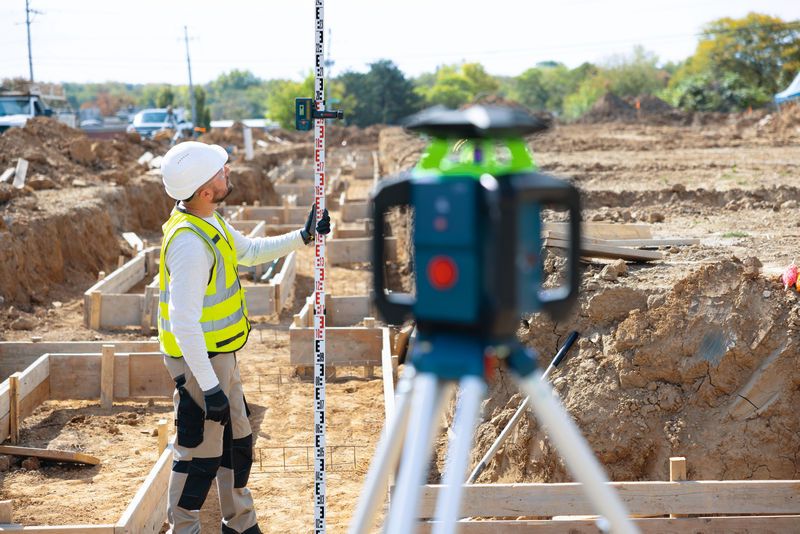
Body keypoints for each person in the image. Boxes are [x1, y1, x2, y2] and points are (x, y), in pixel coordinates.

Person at [158, 141, 330, 534]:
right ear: (204, 190)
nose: (228, 173)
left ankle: (239, 523)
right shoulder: (188, 244)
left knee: (237, 441)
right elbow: (184, 325)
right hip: (198, 362)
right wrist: (209, 386)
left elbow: (249, 251)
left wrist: (302, 237)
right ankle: (183, 529)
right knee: (198, 453)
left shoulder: (209, 220)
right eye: (221, 171)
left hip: (221, 357)